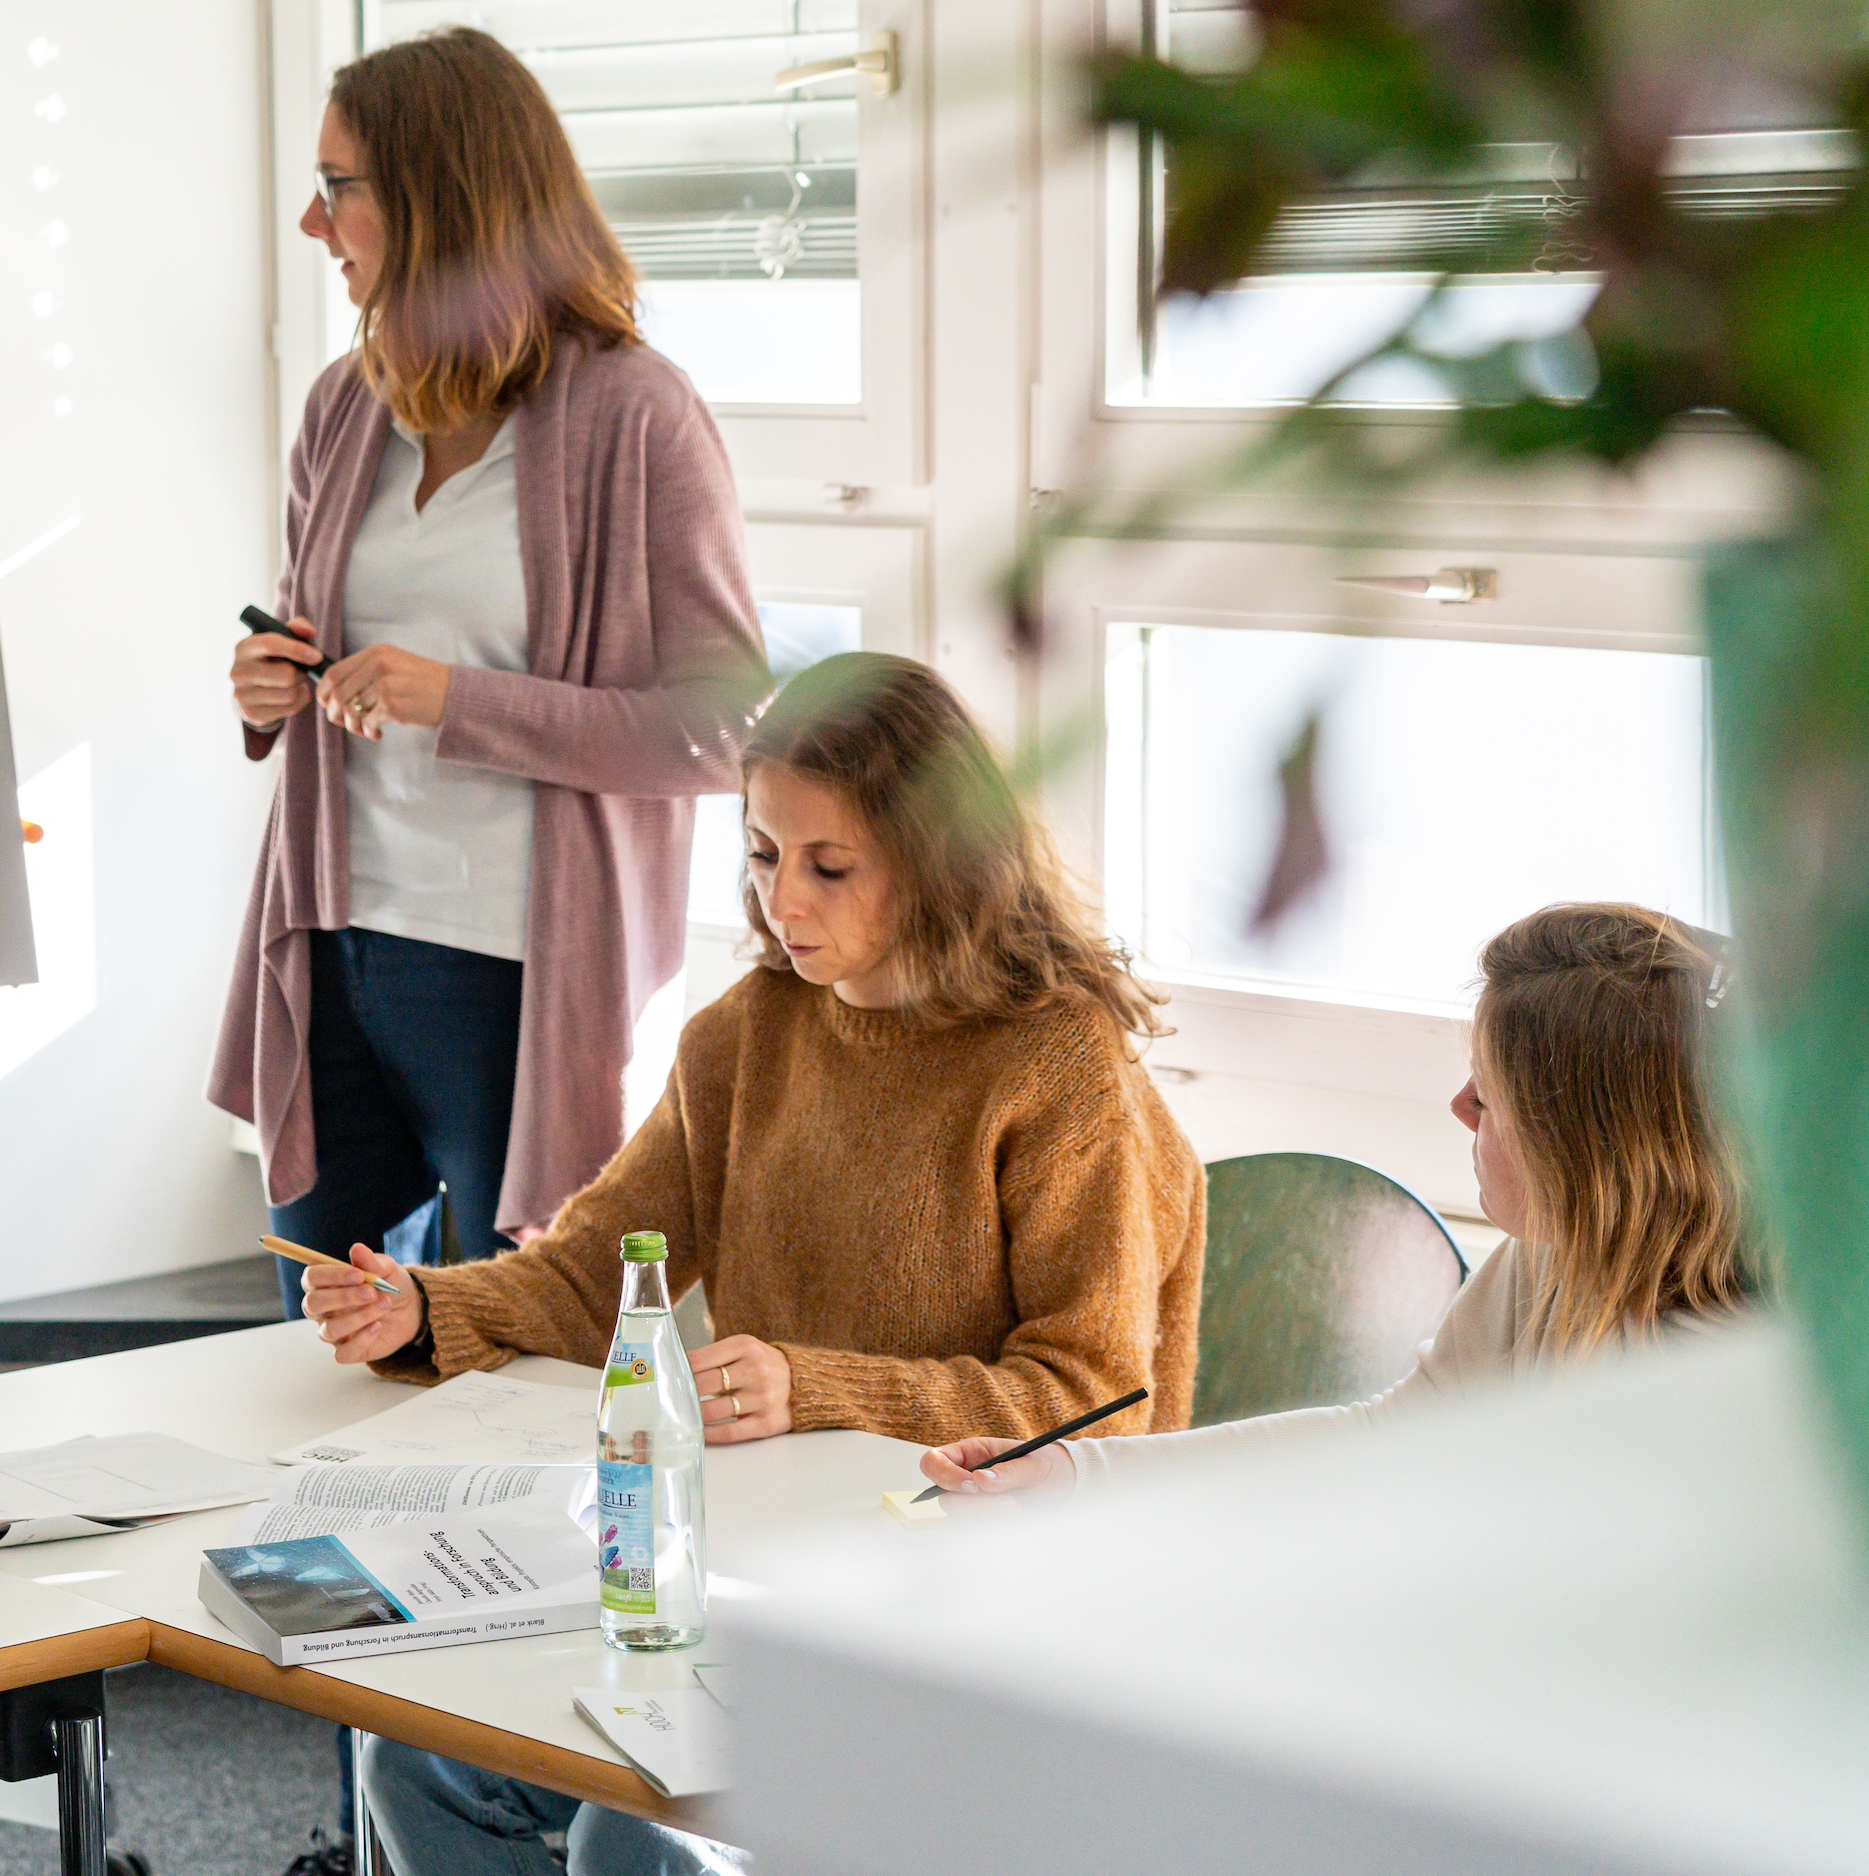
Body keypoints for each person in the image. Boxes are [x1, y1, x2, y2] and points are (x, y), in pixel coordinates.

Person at [305, 652, 1207, 1876]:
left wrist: (816, 1384)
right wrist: (421, 1307)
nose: (786, 899)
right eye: (765, 854)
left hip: (978, 1608)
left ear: (942, 860)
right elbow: (593, 1277)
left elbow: (1095, 1402)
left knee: (628, 1828)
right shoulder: (750, 1032)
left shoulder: (1059, 1066)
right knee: (412, 1755)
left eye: (831, 866)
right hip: (768, 1576)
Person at [212, 26, 768, 1320]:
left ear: (437, 196)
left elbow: (728, 725)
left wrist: (457, 701)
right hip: (335, 942)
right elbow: (323, 647)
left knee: (507, 1351)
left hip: (514, 973)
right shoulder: (345, 407)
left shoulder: (638, 417)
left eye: (339, 185)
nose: (314, 219)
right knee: (322, 1344)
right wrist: (270, 687)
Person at [921, 901, 1750, 1502]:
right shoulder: (1545, 1264)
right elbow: (1385, 1442)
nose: (1461, 1107)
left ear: (1586, 1152)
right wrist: (1071, 1469)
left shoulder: (1748, 1381)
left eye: (1490, 1096)